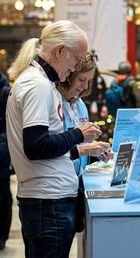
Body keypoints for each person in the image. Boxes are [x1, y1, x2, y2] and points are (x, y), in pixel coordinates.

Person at [6, 20, 103, 258]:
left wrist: (81, 146)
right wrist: (79, 135)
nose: (76, 67)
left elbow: (47, 145)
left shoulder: (42, 83)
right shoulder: (37, 85)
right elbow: (36, 146)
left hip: (49, 200)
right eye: (77, 59)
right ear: (60, 51)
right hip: (48, 202)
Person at [57, 53, 112, 234]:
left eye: (89, 81)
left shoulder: (80, 104)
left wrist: (96, 151)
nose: (86, 86)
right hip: (55, 192)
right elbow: (50, 148)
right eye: (82, 79)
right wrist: (86, 148)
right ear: (69, 75)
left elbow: (83, 144)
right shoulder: (53, 102)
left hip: (75, 188)